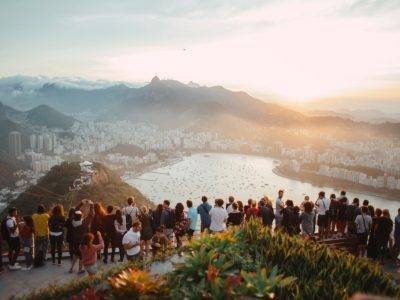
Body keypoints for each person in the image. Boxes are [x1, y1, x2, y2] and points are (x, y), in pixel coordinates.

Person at [70, 205, 94, 274]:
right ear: (81, 216)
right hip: (82, 242)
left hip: (75, 241)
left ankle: (71, 268)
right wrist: (91, 206)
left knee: (75, 254)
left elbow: (73, 212)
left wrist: (81, 204)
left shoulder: (73, 222)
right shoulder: (84, 223)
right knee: (81, 256)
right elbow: (90, 215)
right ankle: (79, 269)